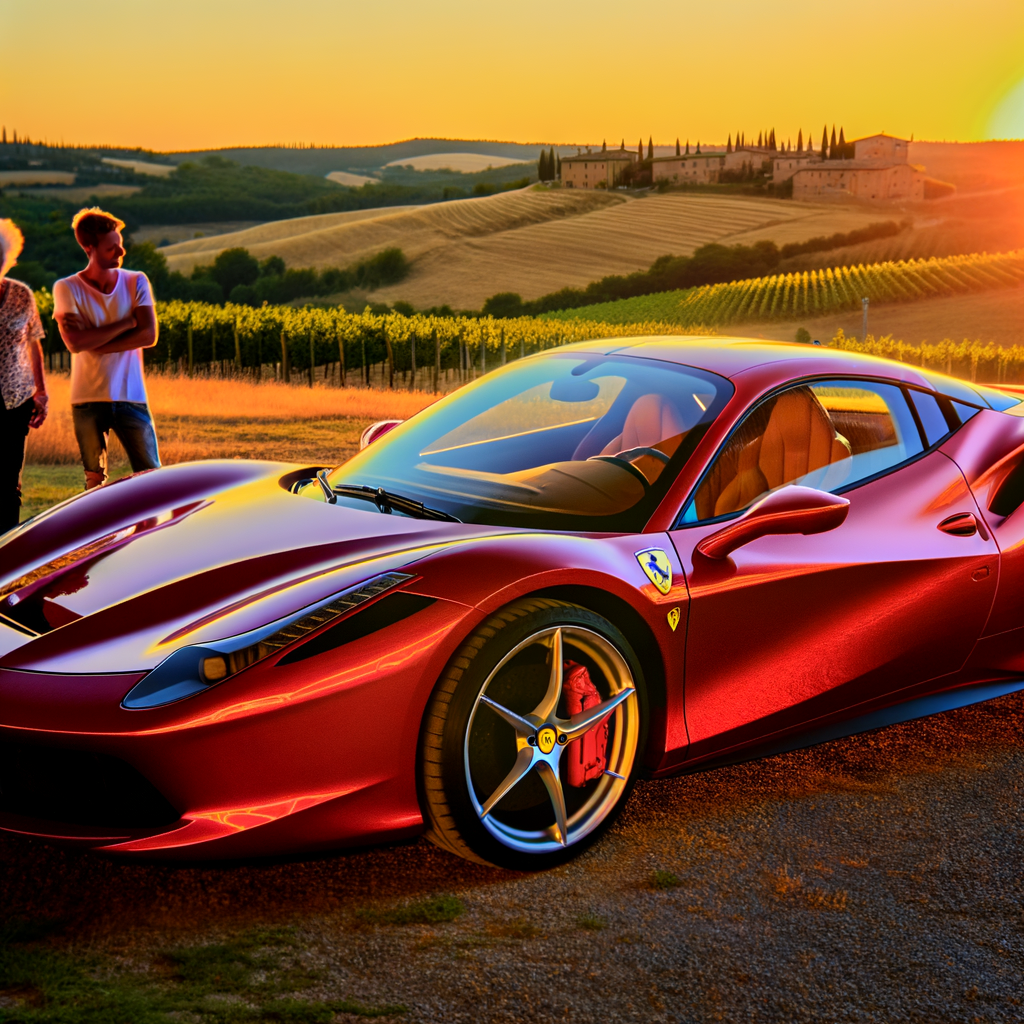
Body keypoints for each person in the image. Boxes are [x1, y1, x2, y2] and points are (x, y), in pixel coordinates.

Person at [53, 207, 160, 489]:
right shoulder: (66, 288)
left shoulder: (137, 280)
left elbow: (148, 334)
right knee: (93, 483)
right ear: (89, 247)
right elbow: (75, 343)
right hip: (87, 399)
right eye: (112, 248)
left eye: (120, 245)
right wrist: (127, 322)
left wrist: (96, 341)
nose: (121, 252)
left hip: (131, 396)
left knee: (151, 477)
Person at [0, 219, 48, 533]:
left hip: (15, 399)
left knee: (8, 481)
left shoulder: (21, 295)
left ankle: (8, 554)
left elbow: (34, 345)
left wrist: (41, 392)